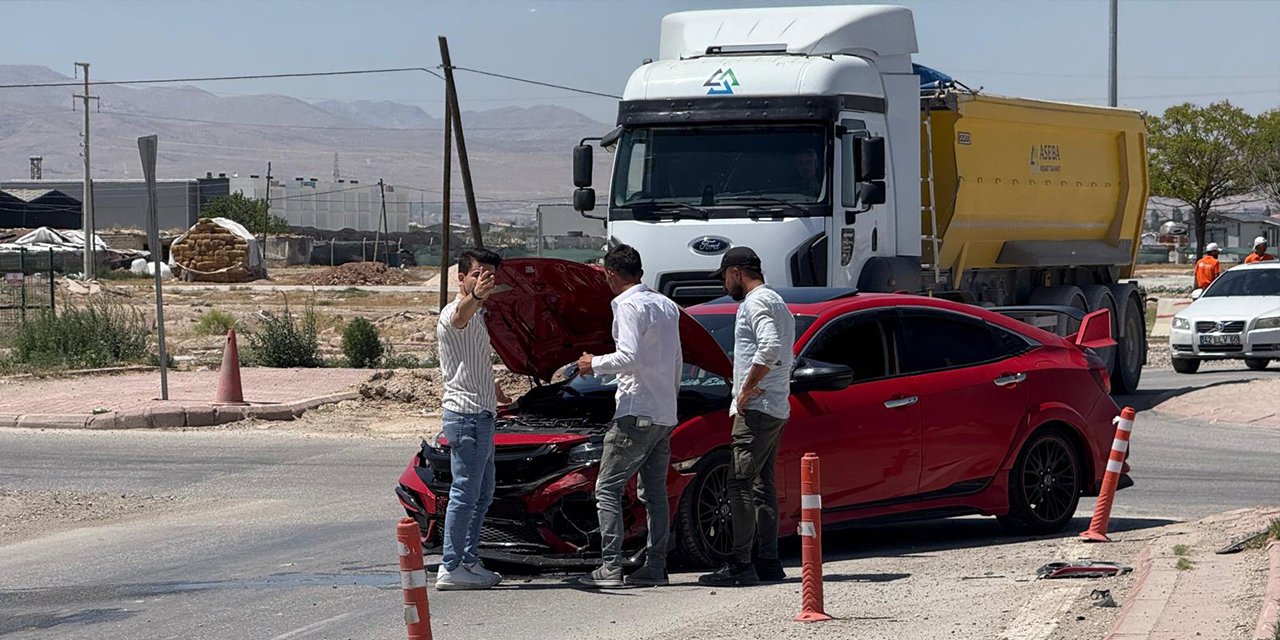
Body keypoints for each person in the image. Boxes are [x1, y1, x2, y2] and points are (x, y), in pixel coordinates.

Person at [575, 244, 682, 588]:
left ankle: (610, 568)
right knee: (654, 494)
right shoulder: (666, 305)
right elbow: (677, 361)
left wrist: (594, 364)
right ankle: (656, 565)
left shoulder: (628, 305)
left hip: (636, 411)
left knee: (606, 488)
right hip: (664, 411)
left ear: (610, 273)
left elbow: (629, 357)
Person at [698, 246, 795, 587]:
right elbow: (783, 353)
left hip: (756, 410)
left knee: (738, 482)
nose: (724, 284)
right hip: (775, 406)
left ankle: (740, 564)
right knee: (761, 484)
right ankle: (767, 560)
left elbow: (768, 347)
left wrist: (746, 389)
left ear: (737, 273)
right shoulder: (778, 302)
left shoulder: (754, 303)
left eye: (725, 277)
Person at [434, 247, 512, 591]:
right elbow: (458, 317)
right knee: (465, 493)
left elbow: (472, 360)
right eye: (478, 274)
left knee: (483, 493)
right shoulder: (456, 311)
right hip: (466, 417)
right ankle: (451, 566)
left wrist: (495, 390)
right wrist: (477, 295)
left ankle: (467, 559)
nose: (484, 281)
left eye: (489, 275)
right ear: (461, 276)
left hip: (481, 413)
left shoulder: (478, 315)